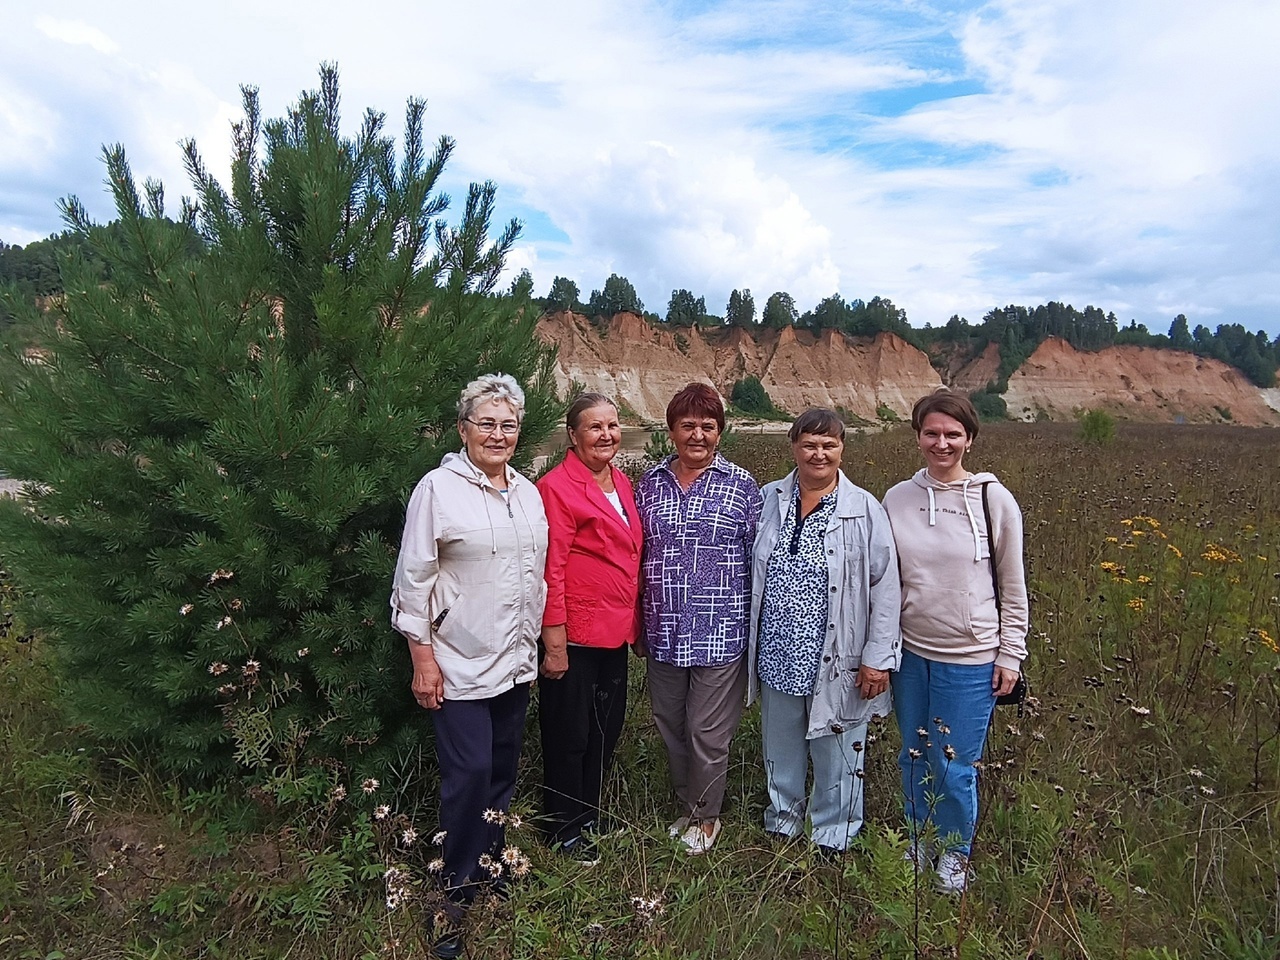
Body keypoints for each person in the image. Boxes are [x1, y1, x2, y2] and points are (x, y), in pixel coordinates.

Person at [389, 374, 548, 959]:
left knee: (503, 769)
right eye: (486, 423)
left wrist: (538, 642)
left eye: (508, 424)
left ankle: (492, 863)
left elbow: (537, 574)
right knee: (470, 773)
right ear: (463, 429)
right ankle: (453, 894)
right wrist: (422, 658)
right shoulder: (439, 488)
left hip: (513, 661)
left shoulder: (527, 493)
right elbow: (413, 579)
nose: (498, 434)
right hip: (456, 661)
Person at [882, 389, 1028, 894]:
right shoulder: (897, 498)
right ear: (917, 436)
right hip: (909, 653)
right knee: (913, 754)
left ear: (969, 438)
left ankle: (955, 854)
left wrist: (1011, 653)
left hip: (970, 659)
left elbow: (1013, 586)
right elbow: (886, 580)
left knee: (954, 761)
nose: (941, 443)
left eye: (952, 434)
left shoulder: (994, 500)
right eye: (931, 433)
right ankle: (919, 837)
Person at [747, 408, 901, 855]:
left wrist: (877, 657)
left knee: (838, 744)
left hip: (838, 652)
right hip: (778, 649)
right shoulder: (770, 497)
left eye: (828, 445)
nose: (819, 453)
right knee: (780, 742)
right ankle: (783, 819)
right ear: (793, 447)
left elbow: (886, 586)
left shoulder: (864, 509)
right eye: (809, 444)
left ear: (842, 450)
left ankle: (836, 833)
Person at [635, 382, 760, 855]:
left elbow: (757, 559)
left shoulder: (743, 486)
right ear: (671, 431)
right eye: (688, 425)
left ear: (720, 432)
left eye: (708, 426)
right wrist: (640, 623)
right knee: (670, 723)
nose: (698, 435)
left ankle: (706, 819)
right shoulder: (649, 485)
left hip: (721, 632)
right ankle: (686, 806)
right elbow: (638, 554)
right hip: (663, 631)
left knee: (707, 731)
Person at [535, 393, 643, 860]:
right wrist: (554, 641)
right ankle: (561, 828)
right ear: (573, 435)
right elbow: (550, 568)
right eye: (595, 427)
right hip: (575, 634)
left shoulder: (621, 482)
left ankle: (589, 816)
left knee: (604, 728)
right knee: (569, 733)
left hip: (613, 631)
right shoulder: (556, 487)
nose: (607, 435)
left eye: (613, 426)